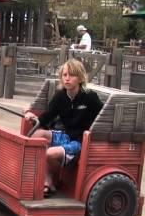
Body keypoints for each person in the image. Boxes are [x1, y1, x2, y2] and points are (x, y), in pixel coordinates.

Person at [24, 58, 103, 197]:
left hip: (79, 141)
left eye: (71, 75)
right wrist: (31, 116)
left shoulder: (90, 97)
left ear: (80, 78)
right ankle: (48, 180)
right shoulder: (60, 96)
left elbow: (103, 118)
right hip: (66, 135)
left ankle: (56, 176)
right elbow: (46, 117)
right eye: (64, 75)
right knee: (37, 135)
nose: (67, 78)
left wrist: (93, 136)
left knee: (49, 154)